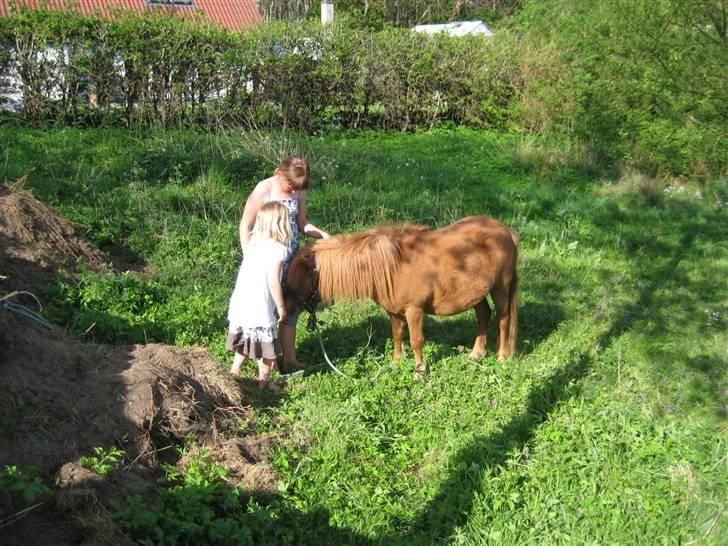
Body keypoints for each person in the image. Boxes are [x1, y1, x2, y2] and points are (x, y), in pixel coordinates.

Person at [238, 156, 330, 370]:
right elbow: (245, 224)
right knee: (269, 309)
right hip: (267, 260)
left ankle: (289, 358)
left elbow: (301, 223)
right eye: (291, 185)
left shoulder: (299, 190)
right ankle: (266, 364)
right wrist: (249, 257)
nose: (293, 190)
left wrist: (321, 234)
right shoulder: (265, 189)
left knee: (291, 306)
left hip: (290, 259)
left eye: (298, 188)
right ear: (281, 174)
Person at [227, 201, 292, 389]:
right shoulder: (278, 248)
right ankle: (264, 383)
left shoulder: (253, 242)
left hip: (243, 301)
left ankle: (235, 371)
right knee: (267, 348)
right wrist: (280, 306)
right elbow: (273, 280)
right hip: (260, 305)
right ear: (282, 223)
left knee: (247, 338)